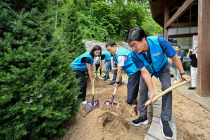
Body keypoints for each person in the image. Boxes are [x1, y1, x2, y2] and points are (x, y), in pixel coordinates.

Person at [125, 27, 191, 140]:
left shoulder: (160, 42)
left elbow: (175, 57)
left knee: (167, 88)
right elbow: (145, 73)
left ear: (144, 40)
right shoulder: (134, 55)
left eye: (135, 45)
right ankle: (143, 116)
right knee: (143, 89)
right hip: (147, 70)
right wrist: (152, 92)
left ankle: (165, 119)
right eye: (131, 46)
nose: (133, 48)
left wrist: (183, 73)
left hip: (162, 67)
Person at [106, 40, 140, 105]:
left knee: (130, 85)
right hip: (133, 69)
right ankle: (134, 99)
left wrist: (117, 82)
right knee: (134, 84)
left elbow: (119, 71)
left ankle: (129, 102)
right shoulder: (117, 52)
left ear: (115, 46)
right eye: (108, 50)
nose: (109, 52)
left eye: (110, 50)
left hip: (134, 69)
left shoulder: (120, 55)